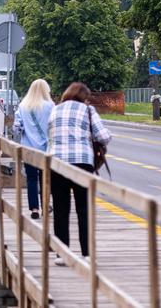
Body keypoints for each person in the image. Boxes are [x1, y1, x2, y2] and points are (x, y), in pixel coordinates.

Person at [47, 82, 111, 264]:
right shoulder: (88, 111)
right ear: (84, 97)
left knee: (61, 209)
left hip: (57, 162)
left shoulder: (55, 110)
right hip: (82, 162)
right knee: (84, 209)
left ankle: (62, 253)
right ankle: (87, 254)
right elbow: (103, 136)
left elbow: (49, 135)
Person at [12, 79, 54, 220]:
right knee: (44, 179)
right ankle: (45, 205)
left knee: (31, 178)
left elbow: (16, 128)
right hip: (45, 149)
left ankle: (34, 208)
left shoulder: (23, 106)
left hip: (28, 147)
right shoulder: (50, 106)